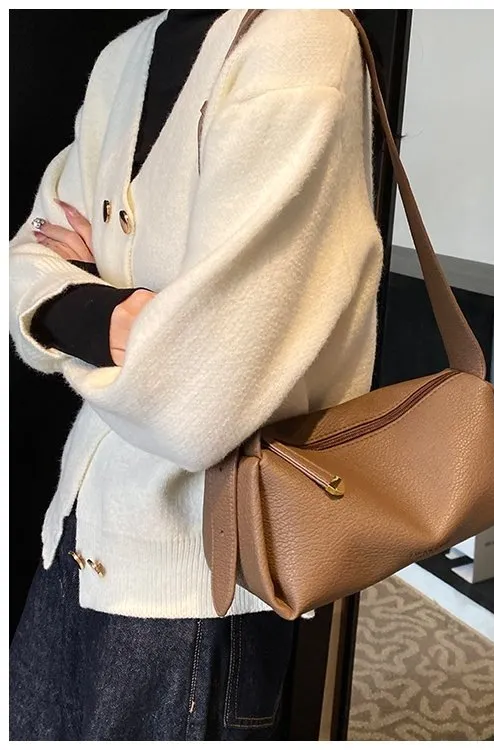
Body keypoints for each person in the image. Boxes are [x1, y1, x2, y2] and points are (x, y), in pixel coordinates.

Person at [9, 9, 383, 741]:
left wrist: (75, 299)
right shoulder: (125, 55)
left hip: (200, 575)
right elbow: (23, 259)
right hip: (79, 526)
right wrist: (118, 318)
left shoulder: (299, 38)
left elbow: (203, 398)